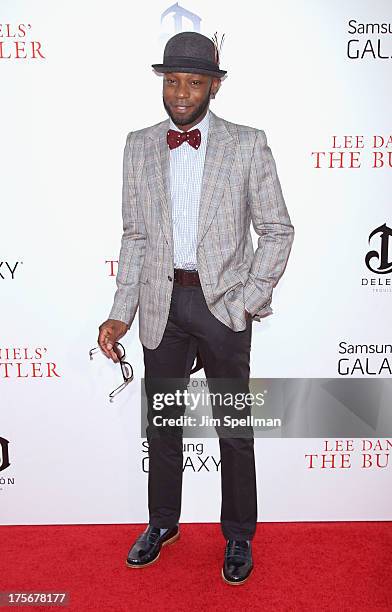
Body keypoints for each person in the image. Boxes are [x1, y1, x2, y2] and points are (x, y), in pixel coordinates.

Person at [97, 31, 294, 585]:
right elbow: (134, 237)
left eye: (194, 82)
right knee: (163, 424)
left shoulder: (247, 143)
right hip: (161, 304)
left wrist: (247, 302)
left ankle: (237, 536)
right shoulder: (138, 145)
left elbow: (277, 229)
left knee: (233, 427)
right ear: (164, 83)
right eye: (173, 81)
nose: (181, 93)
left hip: (223, 307)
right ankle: (163, 523)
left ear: (214, 86)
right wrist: (122, 310)